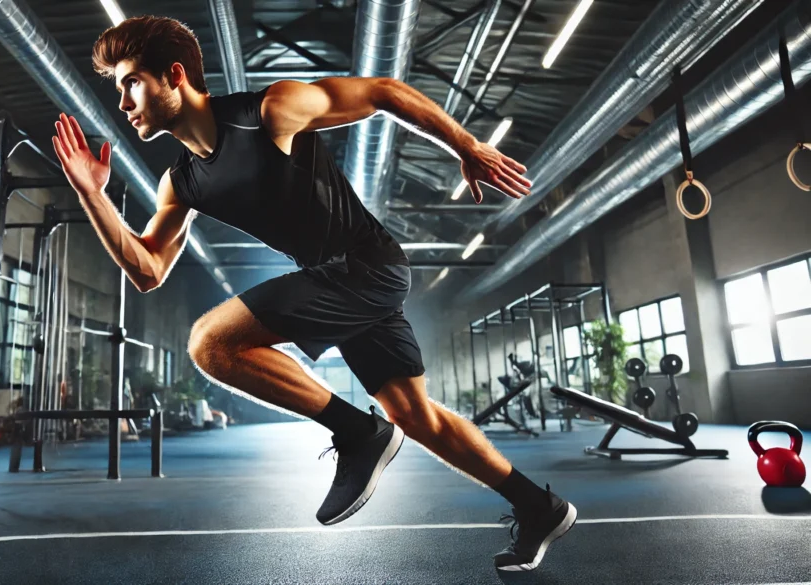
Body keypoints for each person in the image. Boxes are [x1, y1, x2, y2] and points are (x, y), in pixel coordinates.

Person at [50, 15, 576, 571]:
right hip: (342, 286)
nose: (123, 99)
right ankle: (537, 506)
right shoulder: (181, 182)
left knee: (210, 343)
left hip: (366, 266)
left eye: (131, 81)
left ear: (173, 75)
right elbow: (148, 269)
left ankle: (358, 433)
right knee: (418, 417)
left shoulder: (271, 112)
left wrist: (467, 145)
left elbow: (383, 92)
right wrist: (92, 195)